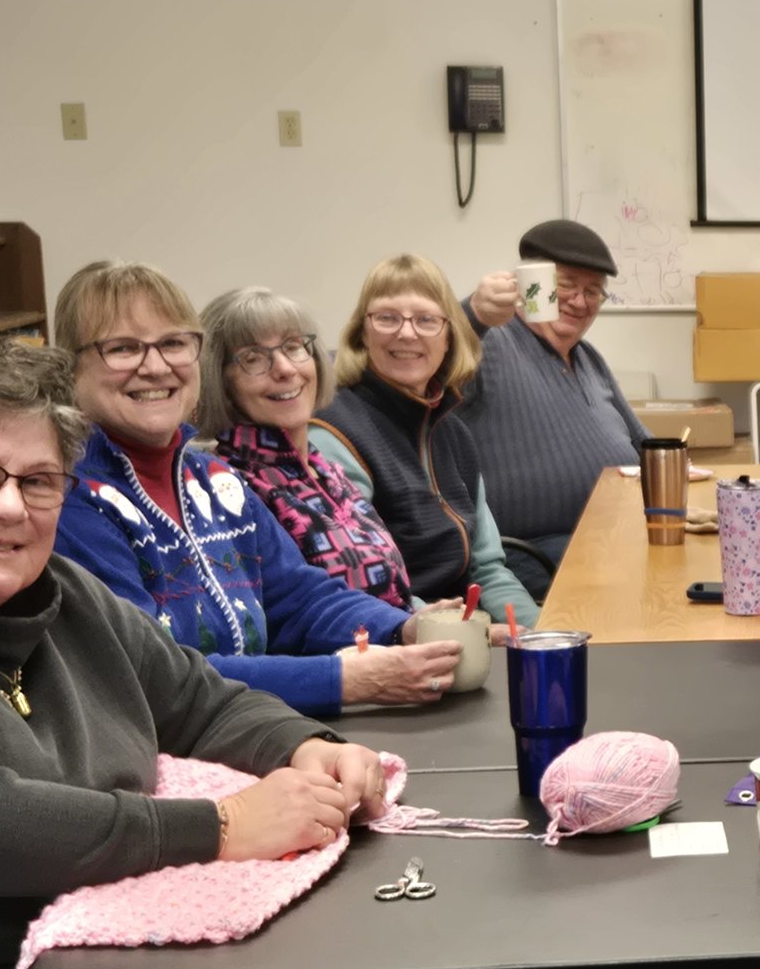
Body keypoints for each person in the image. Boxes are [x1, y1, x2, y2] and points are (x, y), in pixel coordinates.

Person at [0, 328, 392, 969]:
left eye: (37, 481)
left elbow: (201, 702)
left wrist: (306, 747)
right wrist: (221, 827)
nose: (8, 507)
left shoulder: (71, 598)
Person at [48, 262, 460, 717]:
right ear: (69, 368)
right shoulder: (69, 498)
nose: (156, 366)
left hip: (250, 726)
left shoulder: (215, 479)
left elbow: (299, 599)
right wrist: (339, 679)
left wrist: (405, 629)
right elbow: (155, 674)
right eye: (123, 348)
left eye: (173, 343)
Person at [310, 255, 539, 626]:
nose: (406, 333)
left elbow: (490, 572)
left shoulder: (453, 434)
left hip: (463, 627)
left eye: (426, 320)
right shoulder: (334, 431)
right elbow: (360, 585)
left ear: (449, 337)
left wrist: (539, 633)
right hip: (393, 632)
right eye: (386, 318)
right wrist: (471, 632)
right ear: (361, 334)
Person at [460, 219, 648, 597]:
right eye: (566, 286)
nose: (580, 302)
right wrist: (471, 314)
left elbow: (646, 446)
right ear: (531, 284)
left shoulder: (588, 358)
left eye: (594, 291)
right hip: (530, 555)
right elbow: (429, 368)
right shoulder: (487, 343)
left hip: (612, 539)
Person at [198, 286, 414, 612]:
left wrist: (427, 621)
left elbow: (387, 589)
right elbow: (288, 620)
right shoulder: (227, 486)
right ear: (221, 382)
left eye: (293, 346)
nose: (285, 368)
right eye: (253, 358)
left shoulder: (324, 467)